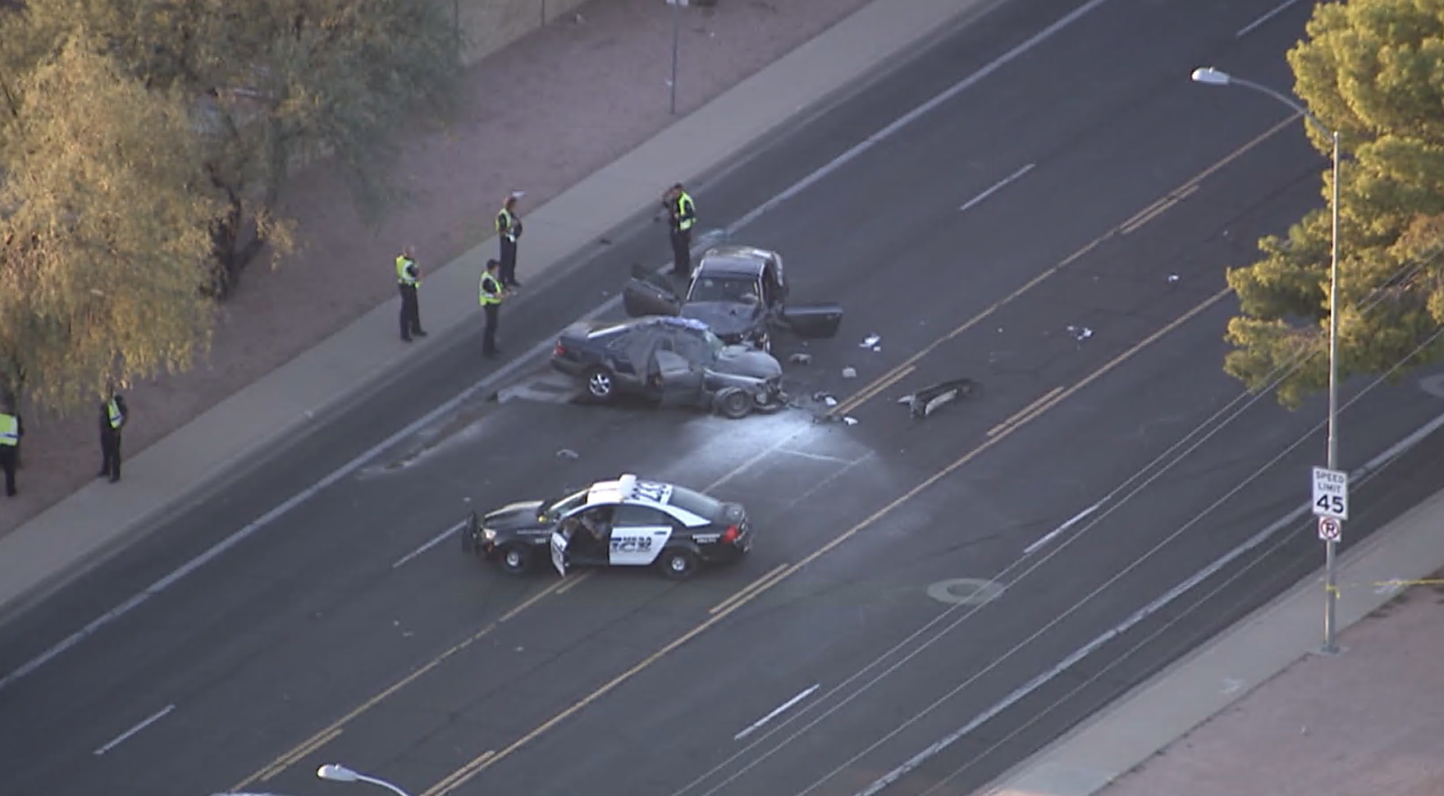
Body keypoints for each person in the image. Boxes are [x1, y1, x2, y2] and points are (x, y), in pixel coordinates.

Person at [663, 183, 697, 278]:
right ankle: (677, 268)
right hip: (675, 228)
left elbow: (691, 214)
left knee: (683, 250)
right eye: (673, 192)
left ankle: (684, 270)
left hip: (683, 230)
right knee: (676, 249)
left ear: (681, 191)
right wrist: (665, 195)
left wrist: (681, 217)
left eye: (676, 192)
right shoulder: (674, 200)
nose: (674, 194)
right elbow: (668, 206)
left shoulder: (685, 200)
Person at [396, 245, 427, 342]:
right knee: (408, 310)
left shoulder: (400, 260)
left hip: (403, 285)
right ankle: (407, 333)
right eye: (413, 253)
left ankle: (415, 329)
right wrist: (419, 270)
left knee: (412, 308)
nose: (414, 254)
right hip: (409, 288)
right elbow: (419, 276)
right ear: (408, 253)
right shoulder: (409, 265)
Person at [495, 192, 525, 289]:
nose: (515, 207)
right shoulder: (503, 215)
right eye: (513, 205)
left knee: (512, 260)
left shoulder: (511, 214)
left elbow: (516, 223)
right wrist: (510, 233)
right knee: (505, 260)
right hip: (505, 241)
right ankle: (502, 281)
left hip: (512, 240)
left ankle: (511, 279)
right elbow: (501, 230)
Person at [98, 389, 128, 483]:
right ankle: (106, 469)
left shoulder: (117, 400)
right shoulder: (105, 401)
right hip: (105, 430)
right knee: (105, 451)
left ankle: (116, 474)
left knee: (115, 453)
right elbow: (102, 413)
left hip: (114, 432)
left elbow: (124, 415)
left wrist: (119, 428)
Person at [479, 258, 506, 357]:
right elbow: (494, 294)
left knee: (493, 326)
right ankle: (487, 350)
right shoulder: (487, 280)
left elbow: (497, 288)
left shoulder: (490, 277)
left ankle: (492, 347)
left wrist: (503, 291)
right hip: (490, 306)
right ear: (493, 268)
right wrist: (504, 295)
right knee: (490, 327)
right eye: (496, 267)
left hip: (493, 305)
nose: (498, 268)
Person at [0, 400, 20, 497]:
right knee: (10, 471)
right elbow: (20, 432)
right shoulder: (14, 419)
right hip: (10, 448)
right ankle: (10, 491)